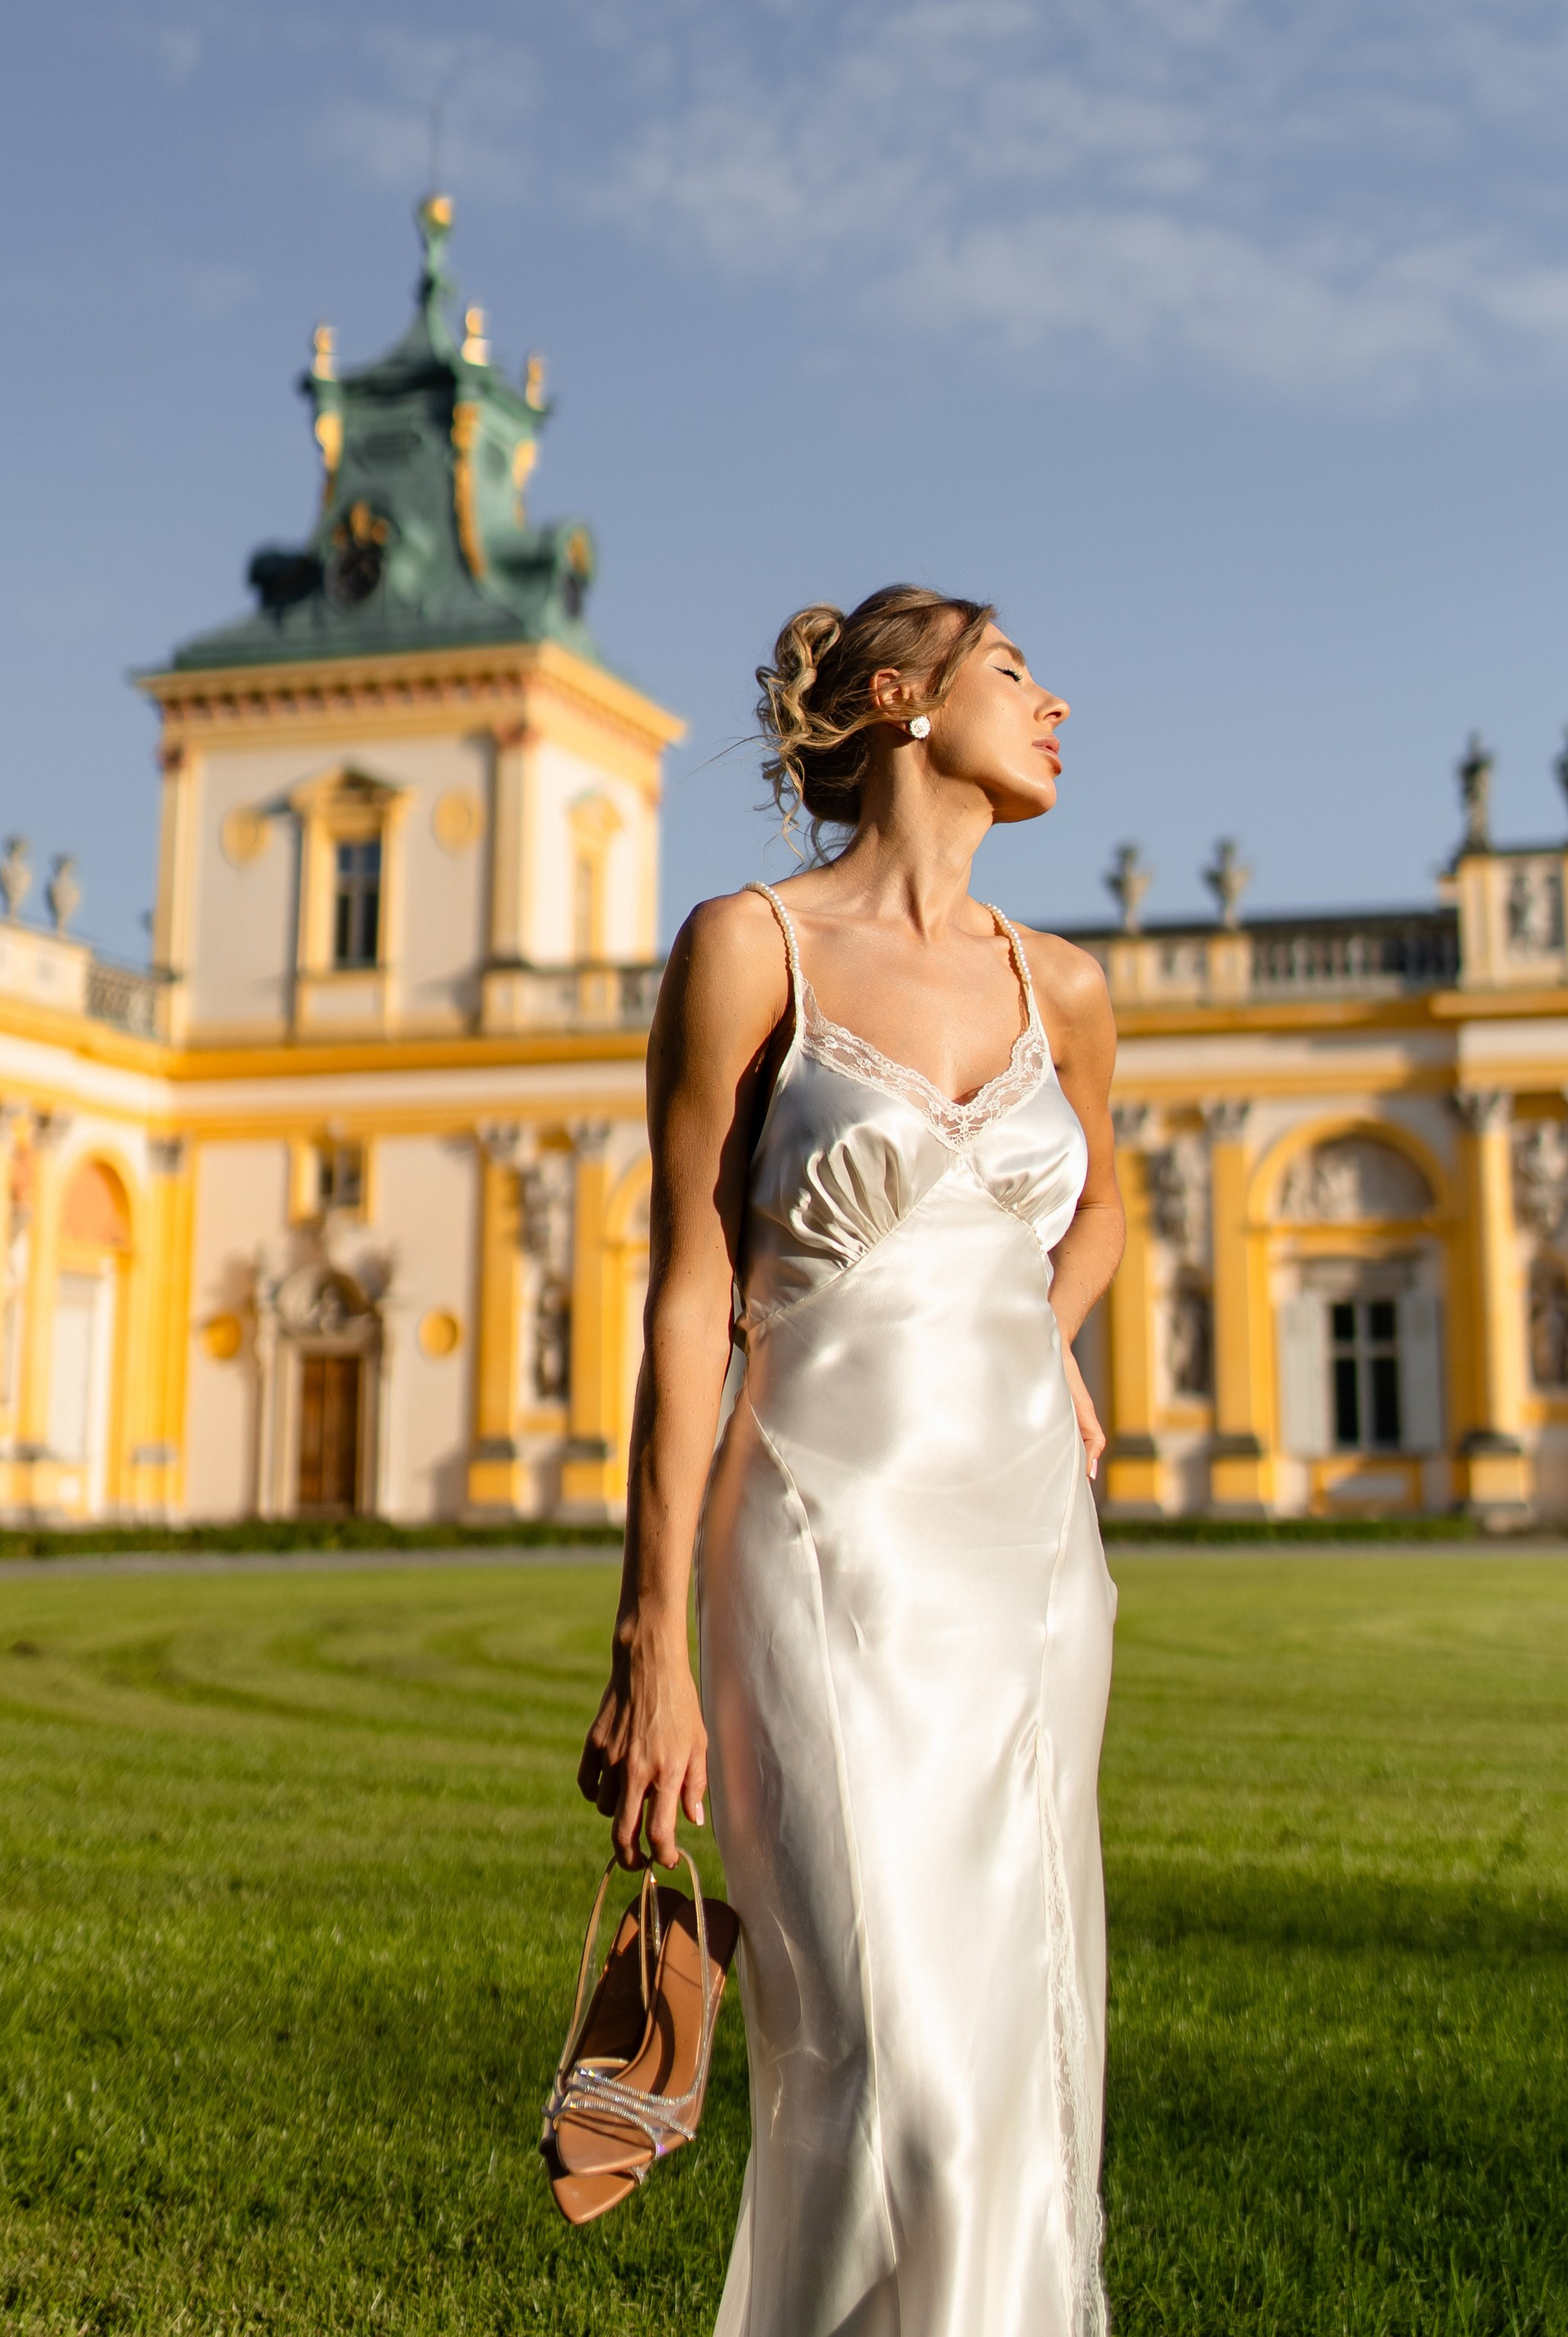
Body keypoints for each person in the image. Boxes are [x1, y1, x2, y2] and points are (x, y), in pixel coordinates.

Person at [578, 584, 1124, 2337]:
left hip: (1029, 1565)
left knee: (1015, 2088)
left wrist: (1033, 1333)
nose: (1055, 708)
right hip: (815, 1538)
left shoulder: (1071, 985)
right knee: (884, 2068)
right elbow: (684, 1297)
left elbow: (1102, 1207)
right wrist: (645, 1642)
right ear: (899, 699)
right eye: (1015, 673)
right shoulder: (750, 946)